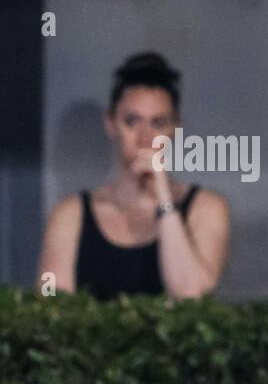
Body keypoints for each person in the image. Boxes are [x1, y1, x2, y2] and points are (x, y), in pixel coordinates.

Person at [35, 52, 231, 300]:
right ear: (110, 123)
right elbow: (51, 315)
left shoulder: (207, 208)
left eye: (158, 123)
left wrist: (163, 198)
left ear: (175, 128)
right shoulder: (70, 216)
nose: (145, 137)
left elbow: (190, 295)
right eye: (131, 122)